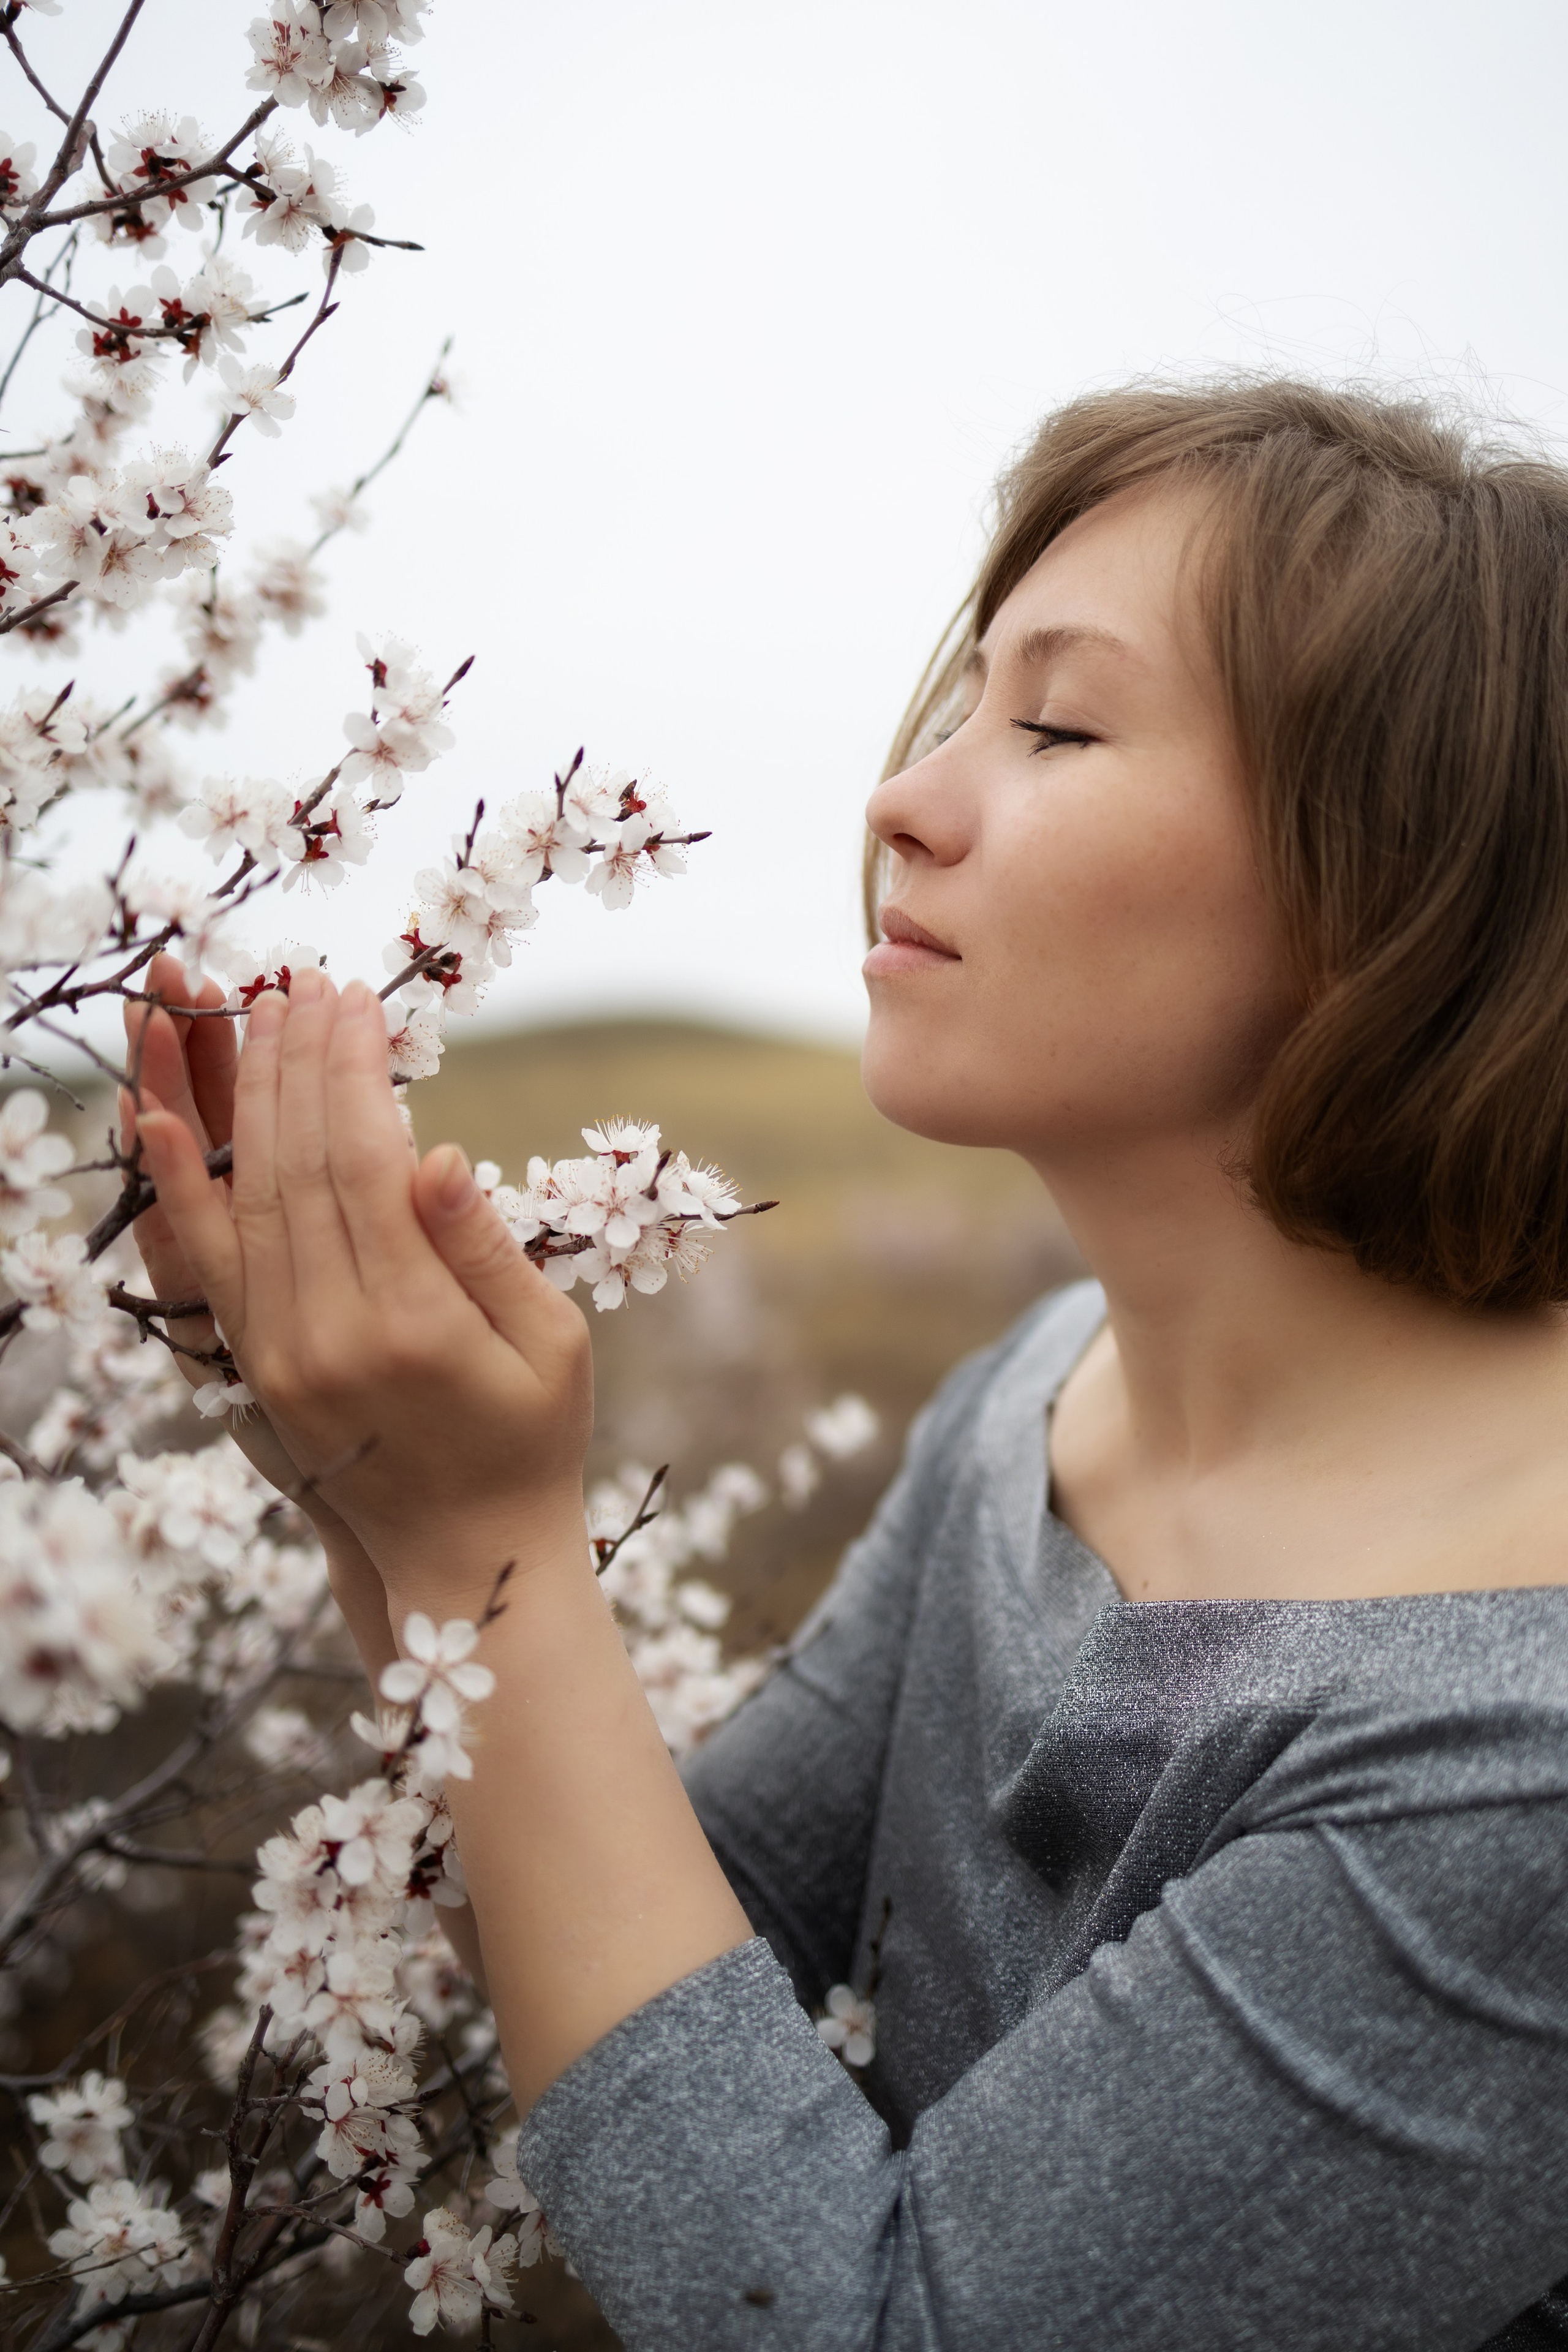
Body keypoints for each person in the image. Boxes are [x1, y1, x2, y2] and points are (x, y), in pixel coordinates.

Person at [128, 379, 1568, 2350]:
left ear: (1395, 885)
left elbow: (862, 2316)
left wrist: (488, 1548)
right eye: (963, 706)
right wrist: (368, 1477)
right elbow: (688, 1939)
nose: (904, 797)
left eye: (1057, 728)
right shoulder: (1041, 1392)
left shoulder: (1517, 1762)